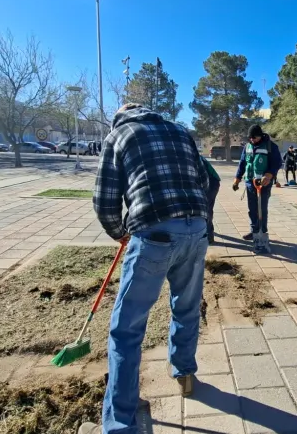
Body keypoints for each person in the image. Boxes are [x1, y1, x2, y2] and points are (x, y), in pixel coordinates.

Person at [82, 103, 211, 434]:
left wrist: (119, 232)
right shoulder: (181, 132)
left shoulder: (119, 135)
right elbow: (204, 180)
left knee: (126, 330)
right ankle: (184, 373)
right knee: (187, 307)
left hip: (154, 234)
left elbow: (105, 199)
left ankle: (119, 425)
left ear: (119, 118)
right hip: (196, 230)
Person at [233, 125, 282, 252]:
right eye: (250, 138)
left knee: (262, 210)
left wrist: (269, 175)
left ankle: (263, 232)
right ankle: (254, 231)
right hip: (250, 182)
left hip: (264, 184)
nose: (252, 140)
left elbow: (277, 162)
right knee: (252, 209)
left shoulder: (270, 146)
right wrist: (237, 179)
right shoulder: (247, 146)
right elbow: (242, 163)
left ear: (260, 135)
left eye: (254, 137)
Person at [200, 155, 221, 244]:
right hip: (211, 181)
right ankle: (208, 233)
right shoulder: (194, 156)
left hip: (211, 182)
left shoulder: (194, 158)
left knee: (206, 209)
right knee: (207, 209)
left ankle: (209, 237)